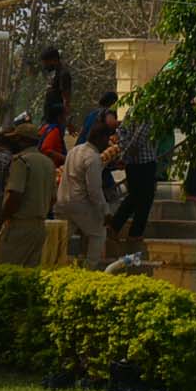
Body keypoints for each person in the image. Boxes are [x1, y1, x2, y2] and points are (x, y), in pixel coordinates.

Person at [0, 126, 56, 267]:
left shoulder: (21, 161)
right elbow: (53, 199)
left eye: (14, 139)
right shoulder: (48, 163)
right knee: (28, 276)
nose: (11, 142)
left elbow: (15, 196)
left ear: (22, 140)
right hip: (39, 227)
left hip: (19, 227)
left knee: (4, 272)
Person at [57, 121, 116, 270]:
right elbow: (94, 190)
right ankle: (89, 271)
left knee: (61, 240)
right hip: (81, 204)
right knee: (98, 234)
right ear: (101, 138)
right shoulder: (93, 157)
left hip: (63, 201)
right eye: (107, 139)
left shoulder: (74, 151)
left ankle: (53, 264)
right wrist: (106, 212)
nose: (107, 144)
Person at [106, 105, 159, 253]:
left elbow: (121, 131)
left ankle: (119, 227)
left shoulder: (132, 110)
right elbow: (138, 139)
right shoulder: (149, 111)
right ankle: (132, 232)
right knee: (145, 198)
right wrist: (126, 155)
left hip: (133, 163)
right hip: (144, 161)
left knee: (135, 196)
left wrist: (124, 152)